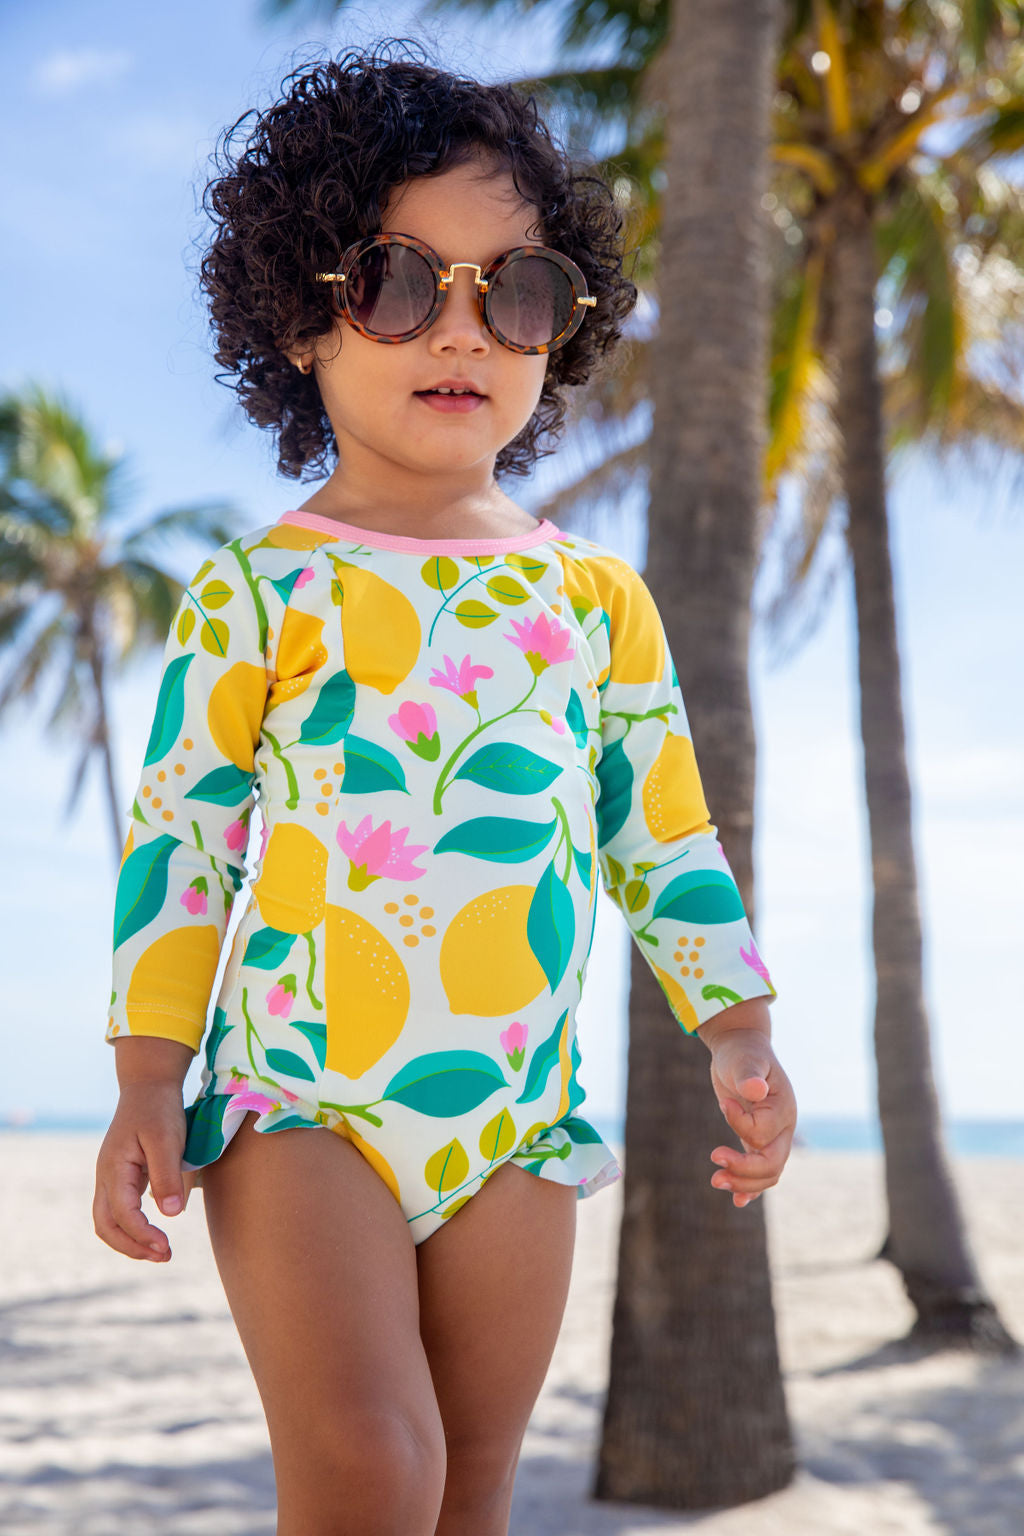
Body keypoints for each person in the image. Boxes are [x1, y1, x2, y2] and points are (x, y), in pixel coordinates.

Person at [93, 41, 797, 1536]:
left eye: (517, 290)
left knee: (469, 1495)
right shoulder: (262, 588)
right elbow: (183, 841)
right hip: (300, 1105)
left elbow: (661, 832)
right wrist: (149, 1073)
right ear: (300, 318)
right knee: (371, 1469)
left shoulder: (595, 600)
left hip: (517, 1126)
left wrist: (737, 1028)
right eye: (398, 283)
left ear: (562, 332)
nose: (461, 327)